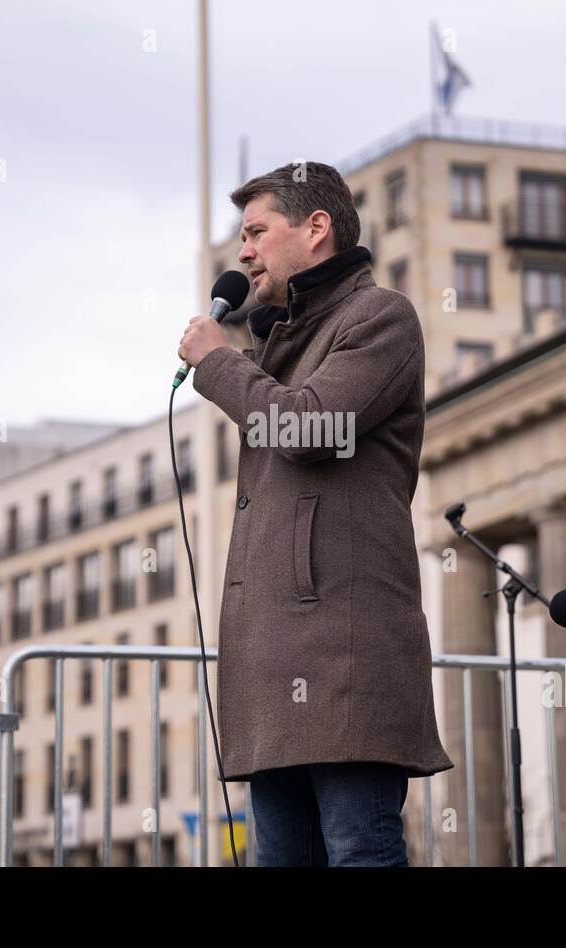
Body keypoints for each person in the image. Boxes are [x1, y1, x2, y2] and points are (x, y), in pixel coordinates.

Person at [177, 161, 452, 866]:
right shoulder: (277, 341)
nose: (243, 252)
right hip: (274, 673)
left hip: (345, 666)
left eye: (257, 232)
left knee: (360, 850)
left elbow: (308, 429)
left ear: (317, 228)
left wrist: (218, 363)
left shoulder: (379, 318)